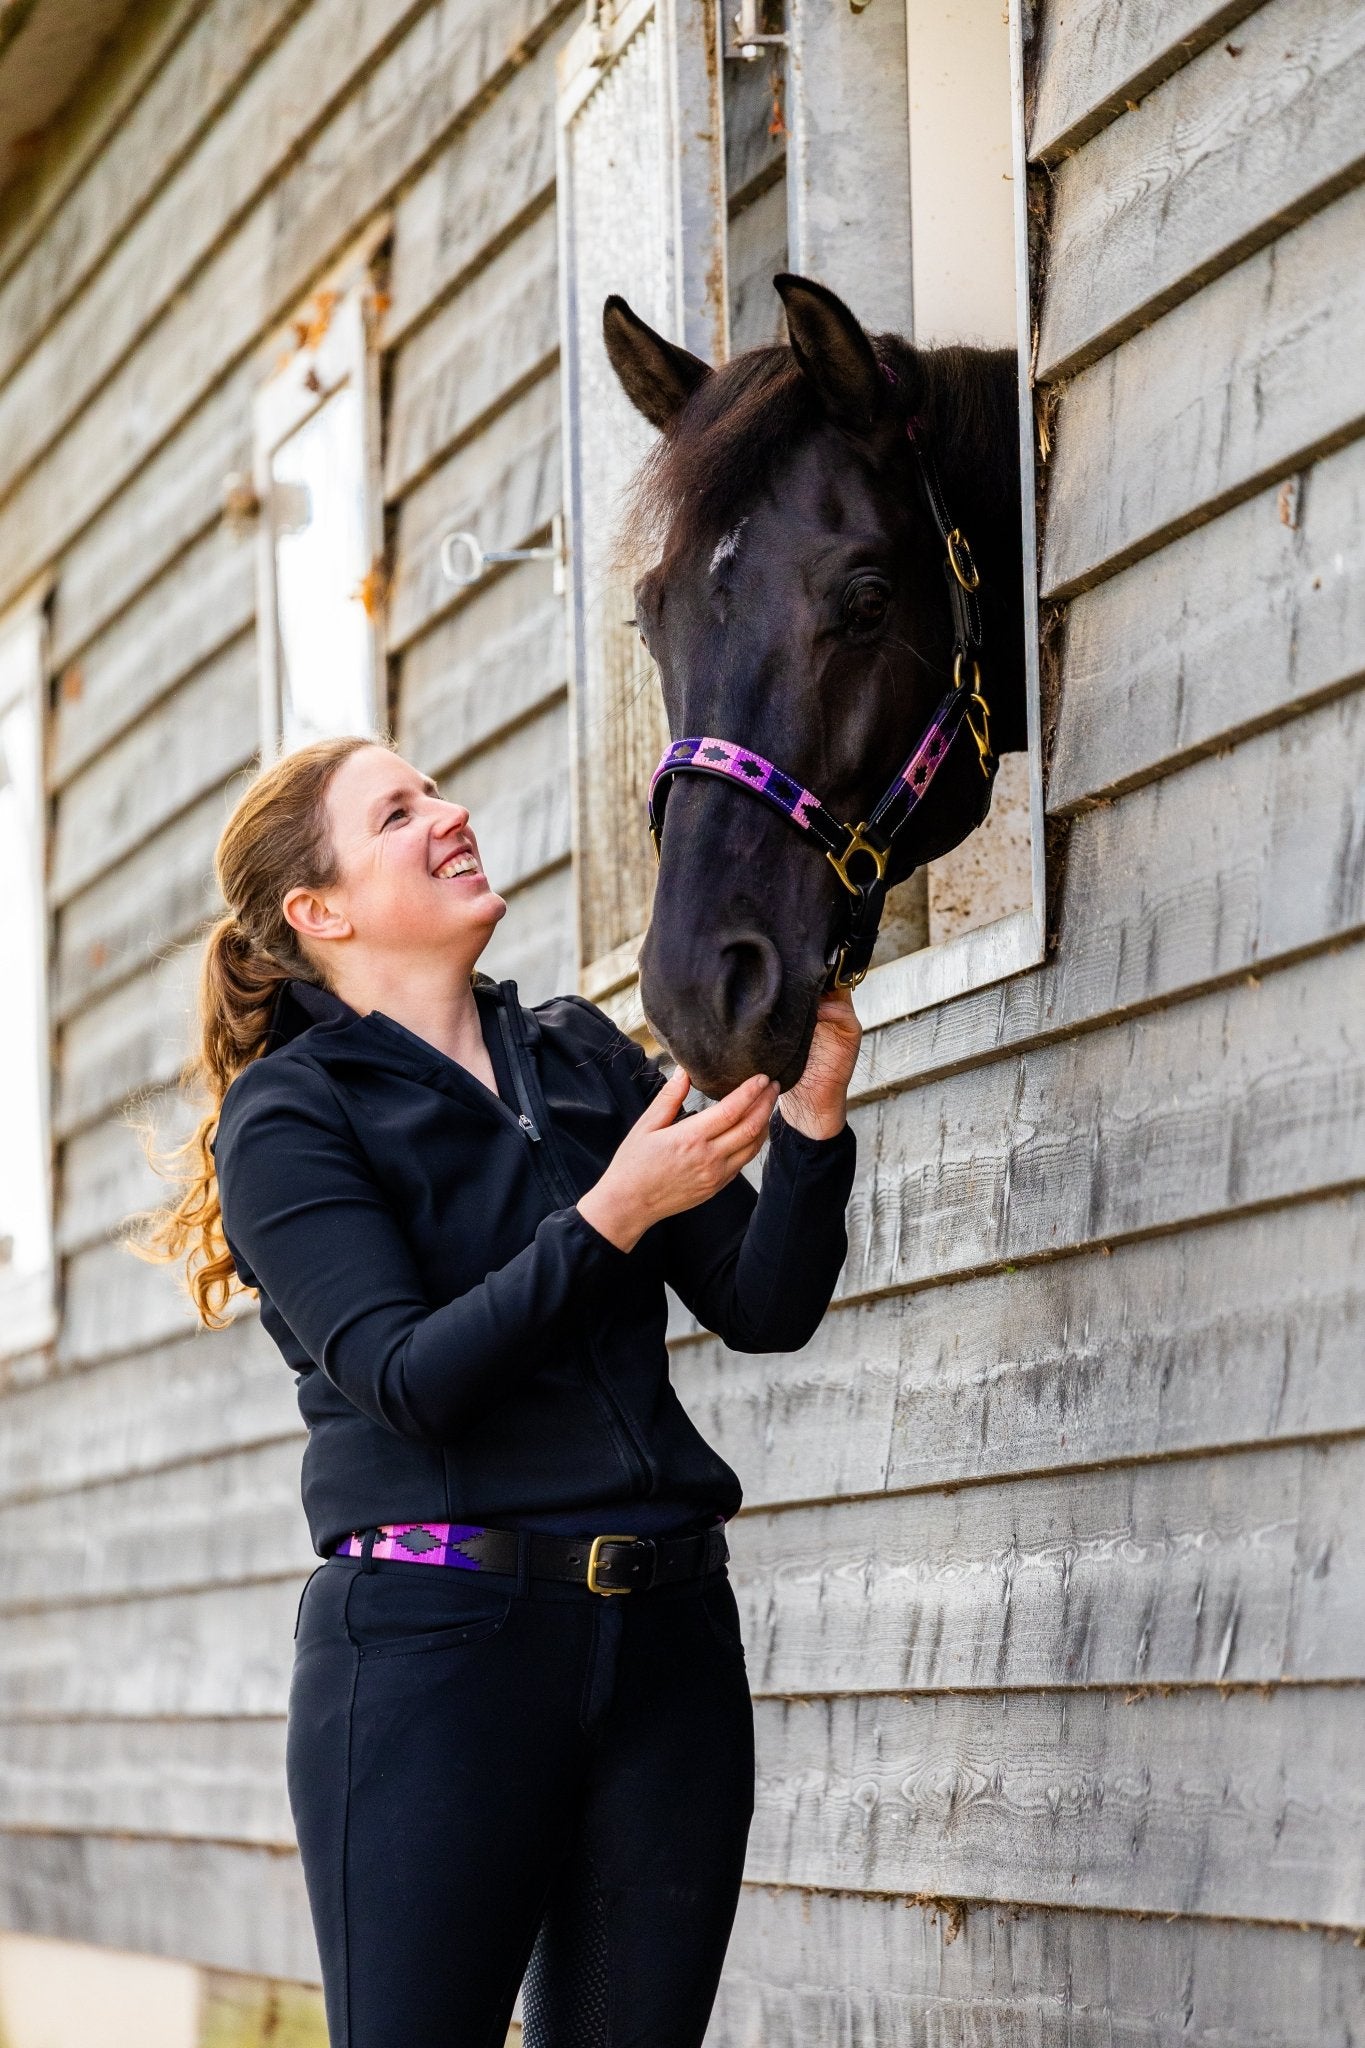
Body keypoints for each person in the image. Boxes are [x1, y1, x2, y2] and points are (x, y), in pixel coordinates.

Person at [140, 733, 859, 2048]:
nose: (448, 812)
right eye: (396, 812)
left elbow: (764, 1306)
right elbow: (408, 1379)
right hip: (438, 1659)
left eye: (436, 789)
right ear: (321, 911)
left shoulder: (579, 1056)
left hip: (669, 1651)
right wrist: (612, 1214)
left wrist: (813, 1126)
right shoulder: (291, 1119)